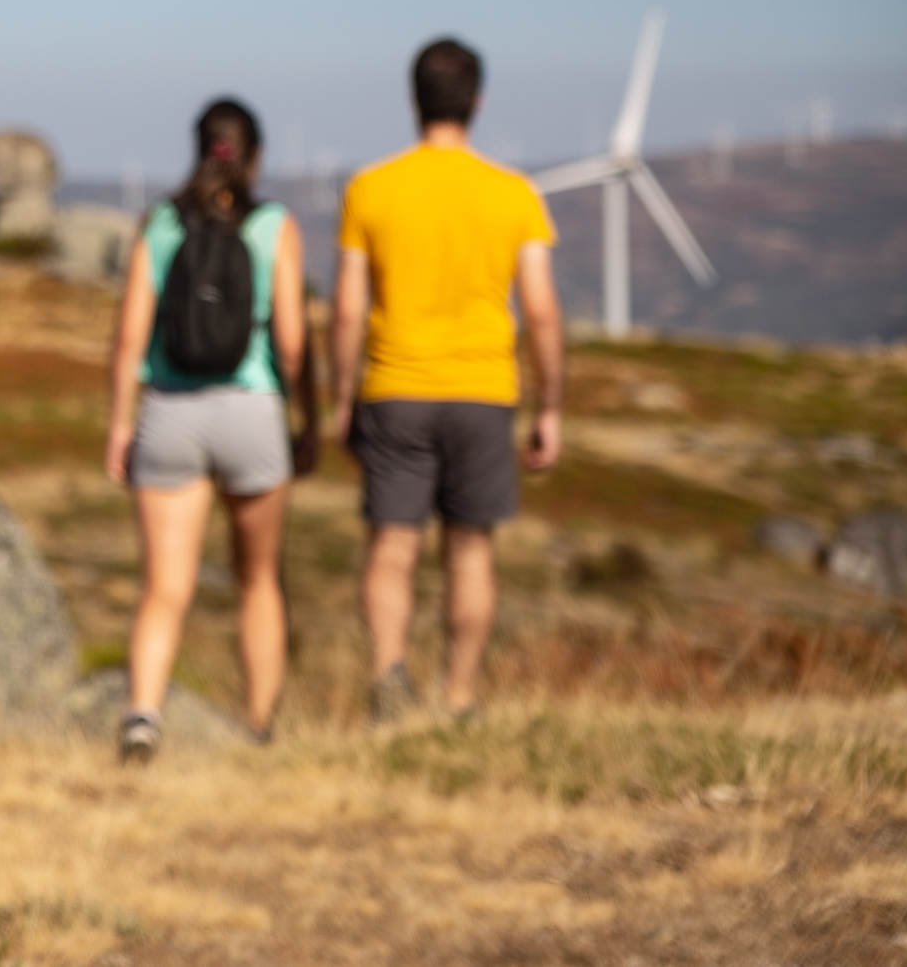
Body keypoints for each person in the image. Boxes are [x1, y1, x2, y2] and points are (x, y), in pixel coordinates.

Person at [331, 37, 564, 724]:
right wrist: (550, 405)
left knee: (392, 545)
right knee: (470, 551)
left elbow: (346, 307)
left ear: (414, 101)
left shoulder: (370, 188)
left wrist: (342, 397)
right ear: (478, 101)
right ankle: (459, 695)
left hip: (395, 387)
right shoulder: (515, 194)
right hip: (484, 392)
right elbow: (543, 314)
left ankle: (387, 684)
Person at [104, 98, 311, 761]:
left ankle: (142, 715)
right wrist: (305, 417)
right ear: (255, 154)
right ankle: (257, 729)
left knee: (165, 586)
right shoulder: (274, 225)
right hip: (253, 410)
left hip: (170, 412)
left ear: (198, 147)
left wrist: (119, 422)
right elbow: (293, 341)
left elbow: (131, 336)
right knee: (259, 580)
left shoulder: (161, 223)